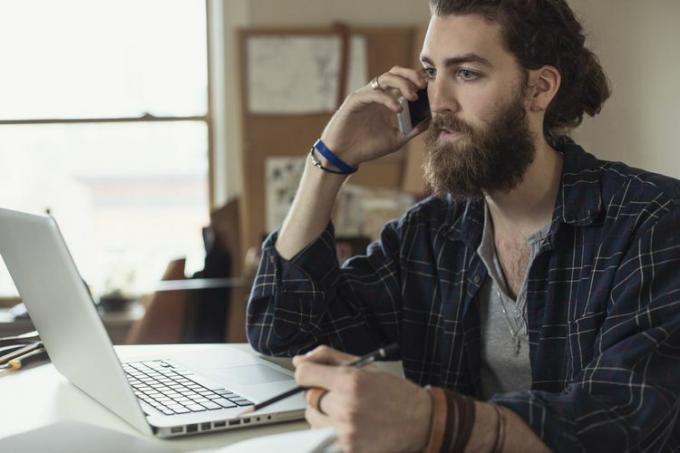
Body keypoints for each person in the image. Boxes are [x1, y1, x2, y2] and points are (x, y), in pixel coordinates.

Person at [247, 0, 680, 451]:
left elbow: (621, 423)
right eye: (431, 72)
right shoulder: (429, 235)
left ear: (539, 89)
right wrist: (328, 163)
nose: (439, 102)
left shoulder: (653, 222)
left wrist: (430, 421)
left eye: (467, 73)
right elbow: (285, 333)